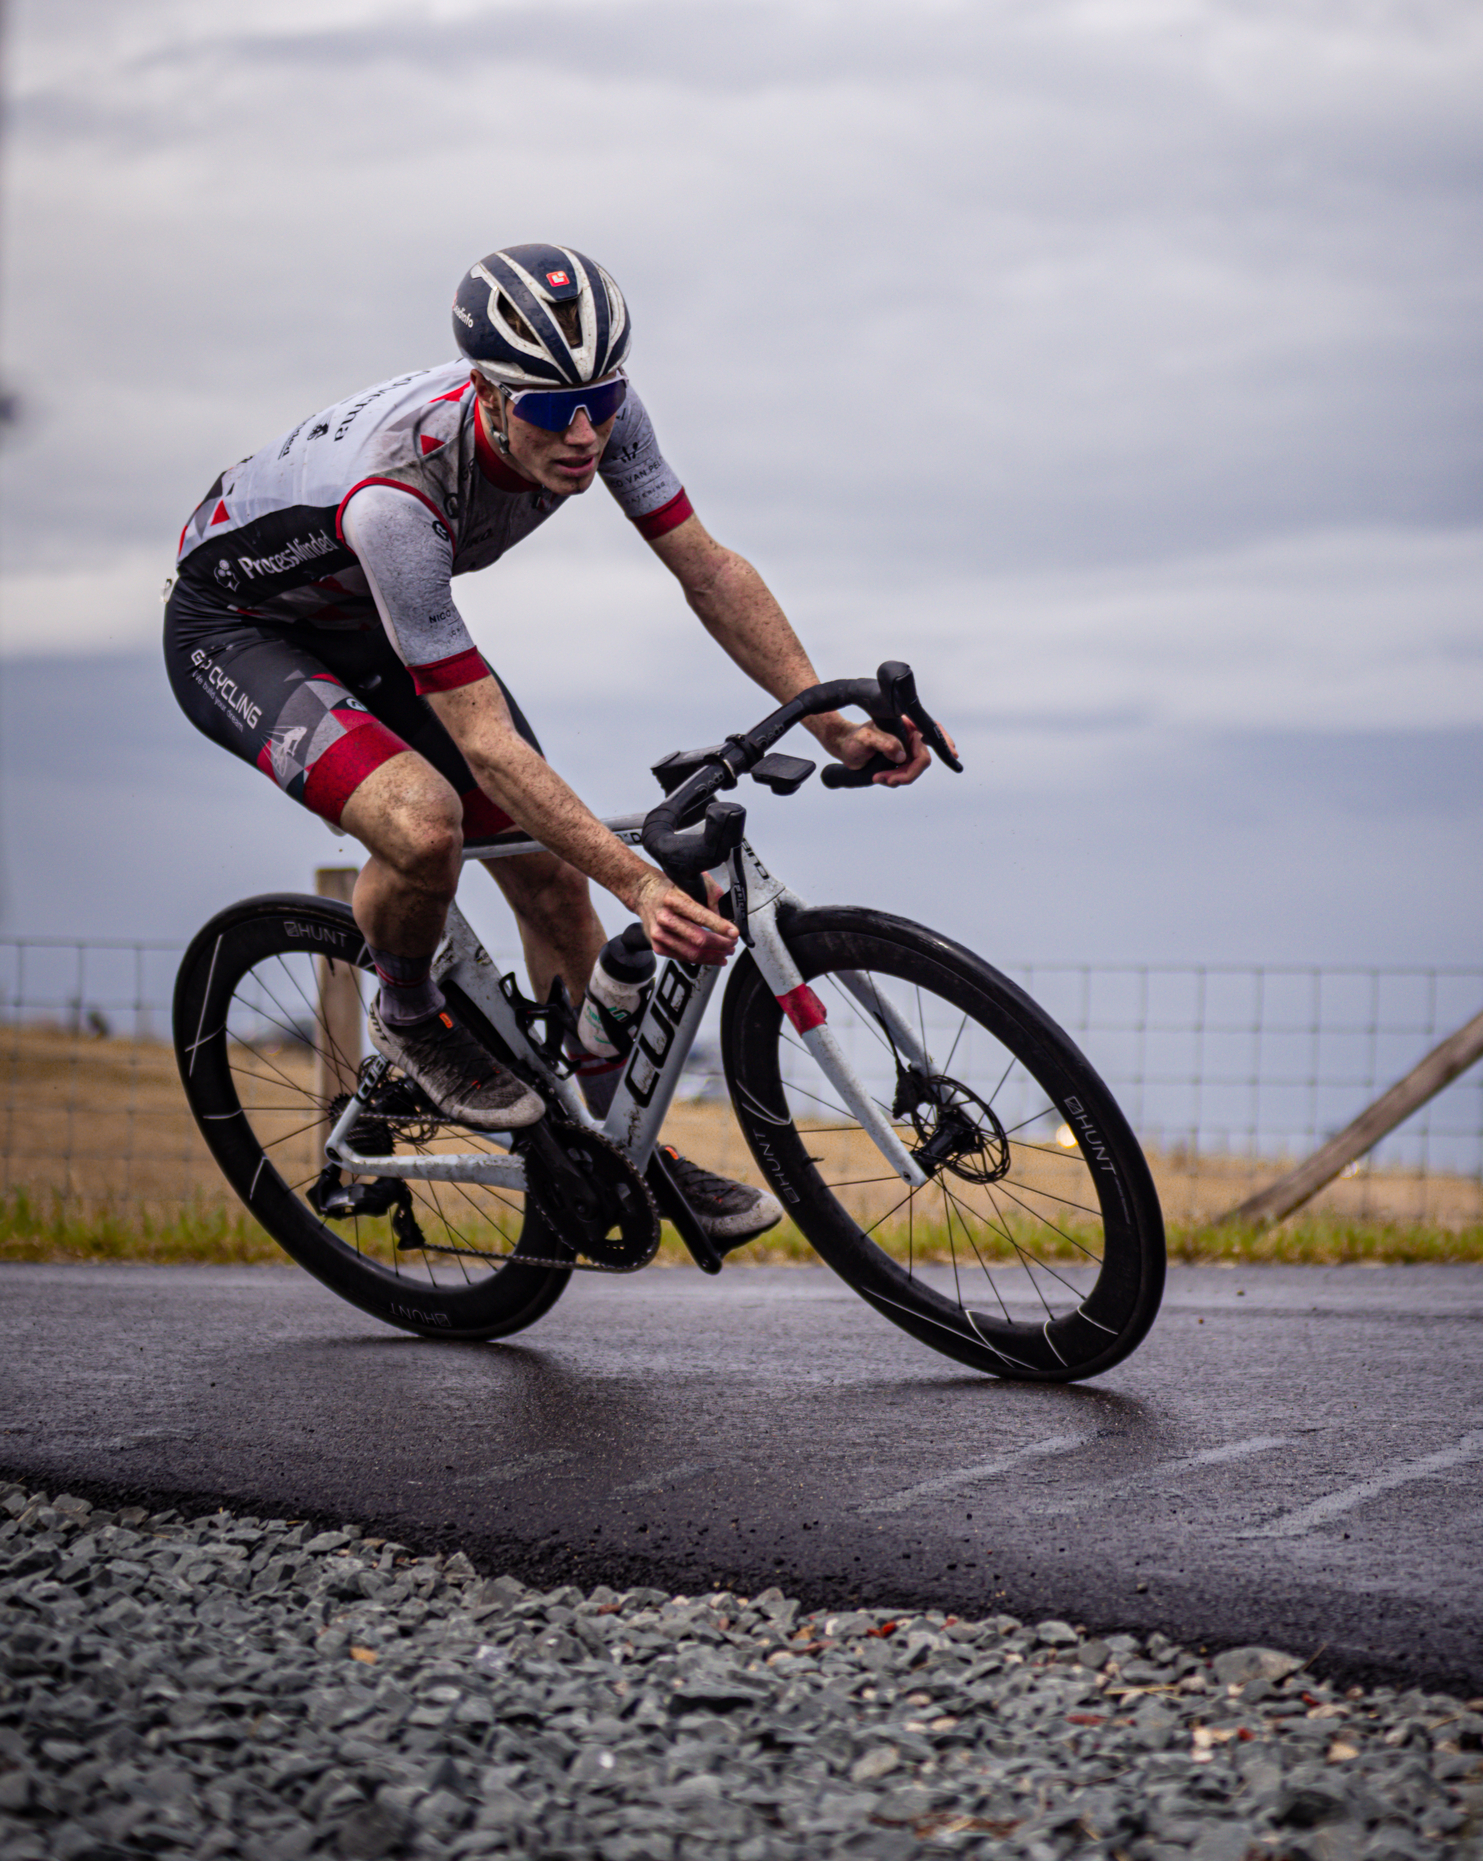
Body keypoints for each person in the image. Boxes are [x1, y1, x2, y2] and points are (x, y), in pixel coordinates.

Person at [164, 242, 941, 1246]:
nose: (581, 433)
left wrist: (829, 719)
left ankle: (621, 1151)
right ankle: (408, 1016)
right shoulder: (397, 497)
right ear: (488, 394)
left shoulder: (599, 414)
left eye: (600, 400)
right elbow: (484, 745)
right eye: (546, 410)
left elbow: (704, 569)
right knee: (425, 824)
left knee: (549, 878)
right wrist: (641, 885)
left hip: (373, 627)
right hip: (241, 630)